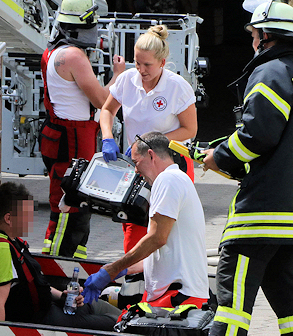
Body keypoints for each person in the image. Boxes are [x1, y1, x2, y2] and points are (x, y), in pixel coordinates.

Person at [201, 0, 293, 336]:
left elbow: (256, 135)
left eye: (254, 35)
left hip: (260, 215)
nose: (252, 42)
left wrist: (219, 157)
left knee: (231, 309)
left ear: (266, 36)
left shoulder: (269, 72)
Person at [39, 0, 125, 259]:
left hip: (60, 134)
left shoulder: (53, 51)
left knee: (75, 199)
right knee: (72, 201)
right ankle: (59, 263)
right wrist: (118, 77)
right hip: (73, 138)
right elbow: (102, 100)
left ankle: (73, 259)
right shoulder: (74, 56)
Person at [0, 182, 122, 329]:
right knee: (116, 323)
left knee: (111, 313)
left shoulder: (7, 240)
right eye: (26, 215)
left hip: (52, 308)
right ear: (8, 219)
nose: (30, 220)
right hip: (45, 319)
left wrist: (62, 296)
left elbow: (33, 282)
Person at [82, 132, 209, 310]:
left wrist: (112, 269)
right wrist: (121, 269)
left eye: (136, 163)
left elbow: (157, 238)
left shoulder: (167, 179)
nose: (135, 171)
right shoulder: (175, 179)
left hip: (178, 298)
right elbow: (164, 249)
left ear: (151, 155)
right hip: (176, 295)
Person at [99, 24, 197, 254]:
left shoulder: (176, 87)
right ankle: (134, 283)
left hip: (171, 165)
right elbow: (107, 111)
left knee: (169, 232)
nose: (141, 70)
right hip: (139, 166)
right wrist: (107, 137)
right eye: (137, 62)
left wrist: (151, 142)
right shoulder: (127, 80)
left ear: (162, 63)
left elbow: (189, 129)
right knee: (133, 226)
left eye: (147, 65)